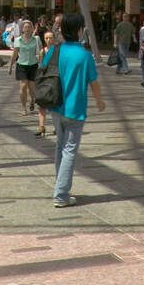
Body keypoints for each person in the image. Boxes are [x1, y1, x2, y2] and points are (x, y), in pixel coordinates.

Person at [41, 13, 105, 207]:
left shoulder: (54, 51)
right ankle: (61, 194)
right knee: (69, 150)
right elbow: (93, 82)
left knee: (60, 146)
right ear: (79, 30)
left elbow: (43, 73)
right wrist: (99, 101)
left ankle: (60, 187)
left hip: (55, 105)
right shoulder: (85, 56)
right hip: (75, 108)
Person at [12, 19, 42, 115]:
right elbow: (15, 53)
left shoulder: (36, 39)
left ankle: (32, 100)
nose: (27, 29)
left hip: (33, 65)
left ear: (32, 28)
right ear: (22, 29)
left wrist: (41, 63)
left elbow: (41, 52)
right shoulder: (18, 40)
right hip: (21, 65)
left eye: (29, 27)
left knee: (32, 89)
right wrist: (10, 65)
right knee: (23, 86)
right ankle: (24, 107)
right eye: (25, 27)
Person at [35, 30, 55, 136]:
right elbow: (40, 65)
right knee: (42, 103)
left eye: (50, 38)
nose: (48, 40)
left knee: (55, 104)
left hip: (56, 80)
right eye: (46, 38)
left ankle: (57, 126)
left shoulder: (58, 51)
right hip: (45, 79)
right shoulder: (42, 51)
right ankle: (41, 126)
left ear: (54, 39)